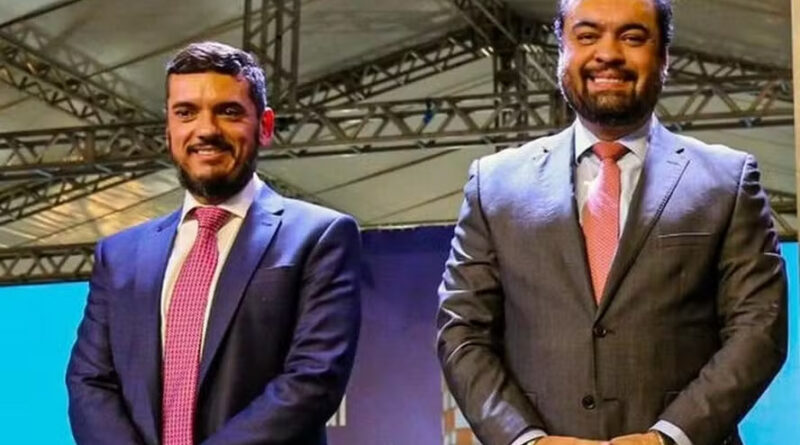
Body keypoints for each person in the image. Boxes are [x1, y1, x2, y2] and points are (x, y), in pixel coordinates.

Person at [436, 0, 787, 444]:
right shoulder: (494, 184)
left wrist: (667, 438)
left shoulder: (728, 180)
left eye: (632, 37)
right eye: (587, 36)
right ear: (561, 50)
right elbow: (463, 332)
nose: (608, 53)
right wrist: (524, 440)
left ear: (664, 57)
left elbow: (759, 329)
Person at [67, 41, 361, 445]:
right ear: (168, 129)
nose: (206, 130)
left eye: (228, 111)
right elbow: (90, 382)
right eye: (186, 112)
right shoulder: (119, 255)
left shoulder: (319, 236)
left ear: (265, 126)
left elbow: (313, 379)